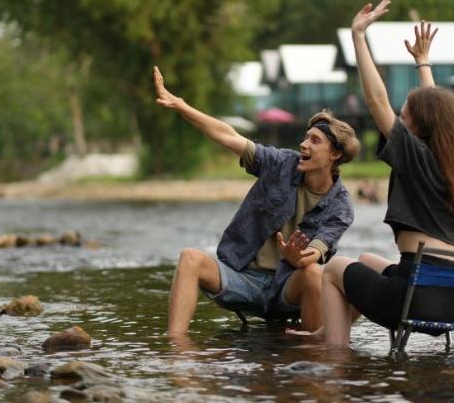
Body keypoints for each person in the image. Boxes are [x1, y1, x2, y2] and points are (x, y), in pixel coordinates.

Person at [291, 0, 454, 346]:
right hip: (447, 304)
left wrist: (358, 37)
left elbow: (376, 100)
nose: (399, 120)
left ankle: (334, 356)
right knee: (365, 259)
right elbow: (437, 112)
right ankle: (332, 327)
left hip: (411, 299)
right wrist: (423, 63)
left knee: (333, 268)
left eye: (404, 115)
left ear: (419, 128)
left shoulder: (416, 158)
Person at [153, 66, 360, 336]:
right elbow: (229, 136)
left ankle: (313, 361)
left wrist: (298, 258)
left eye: (314, 140)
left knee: (313, 273)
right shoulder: (281, 163)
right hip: (242, 277)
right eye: (305, 137)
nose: (303, 145)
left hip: (287, 286)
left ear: (335, 154)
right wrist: (181, 106)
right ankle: (176, 349)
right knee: (190, 258)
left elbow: (318, 250)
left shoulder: (341, 206)